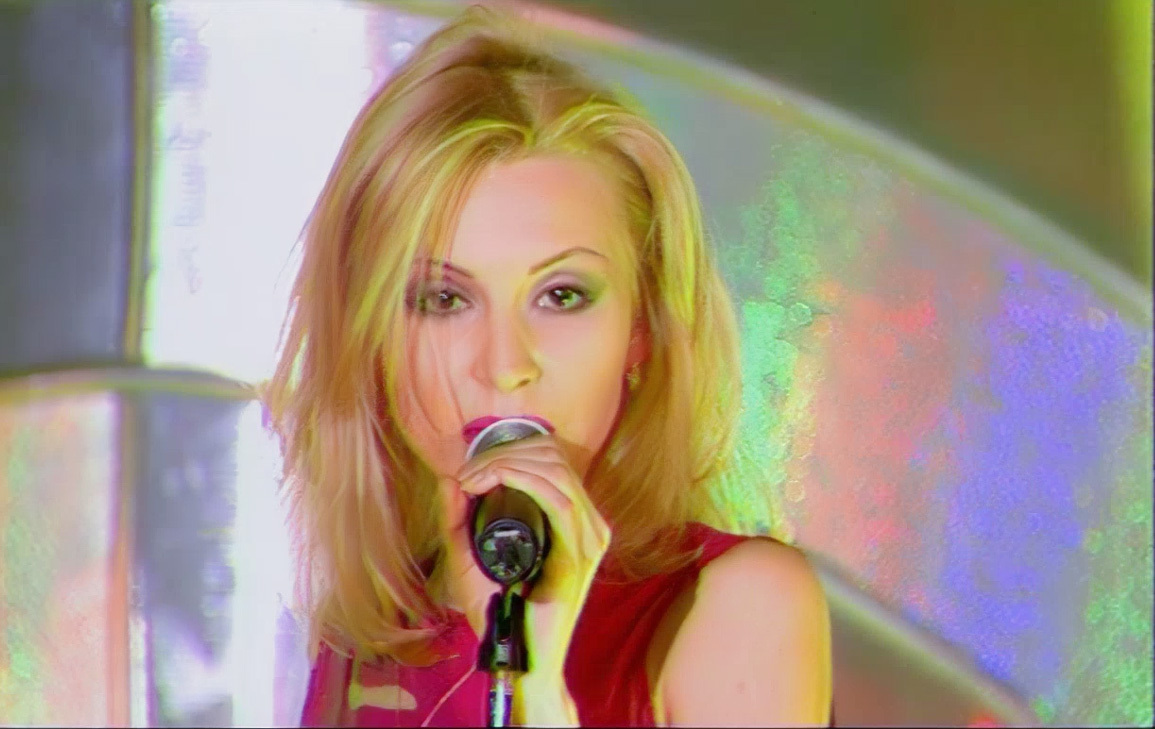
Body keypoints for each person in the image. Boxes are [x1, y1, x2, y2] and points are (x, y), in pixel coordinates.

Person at [261, 5, 832, 726]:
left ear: (642, 329)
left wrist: (534, 688)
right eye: (443, 299)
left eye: (562, 296)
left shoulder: (739, 605)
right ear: (370, 332)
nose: (505, 366)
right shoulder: (363, 641)